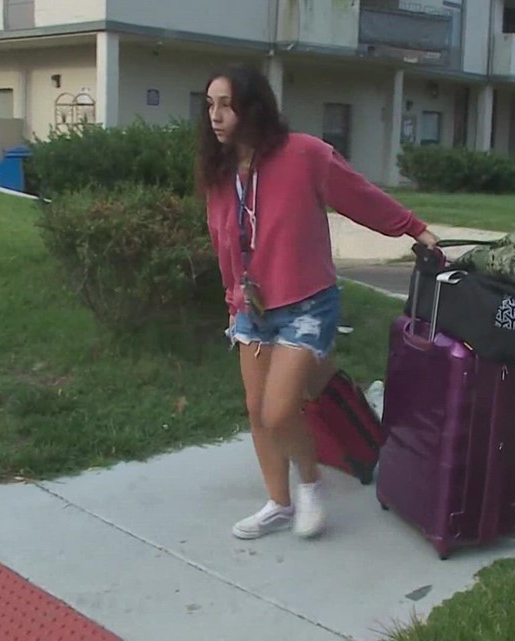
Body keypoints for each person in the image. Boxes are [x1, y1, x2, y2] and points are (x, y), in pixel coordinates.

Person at [196, 63, 439, 541]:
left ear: (253, 107)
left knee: (279, 410)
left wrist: (414, 228)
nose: (216, 116)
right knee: (255, 406)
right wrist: (233, 299)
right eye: (209, 106)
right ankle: (278, 504)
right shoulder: (220, 175)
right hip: (251, 306)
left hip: (307, 302)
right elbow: (223, 241)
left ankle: (310, 483)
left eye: (226, 104)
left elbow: (360, 196)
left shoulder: (303, 154)